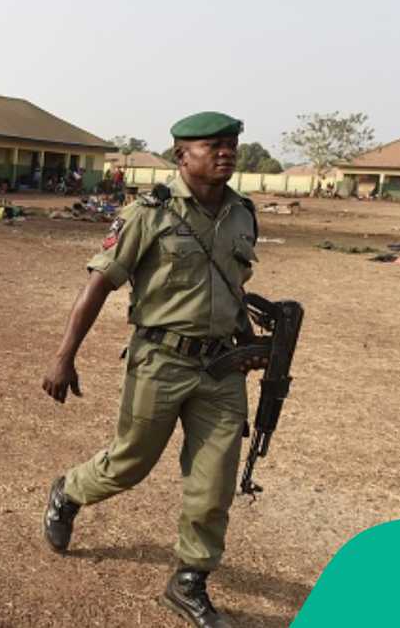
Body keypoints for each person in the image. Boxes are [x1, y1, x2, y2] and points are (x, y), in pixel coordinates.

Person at [40, 112, 259, 628]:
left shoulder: (244, 214)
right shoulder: (148, 213)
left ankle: (188, 580)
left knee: (216, 478)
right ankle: (67, 491)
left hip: (222, 368)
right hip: (160, 360)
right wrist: (64, 354)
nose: (226, 153)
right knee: (130, 463)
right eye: (214, 146)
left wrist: (251, 342)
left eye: (231, 145)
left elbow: (232, 284)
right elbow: (99, 281)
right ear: (183, 155)